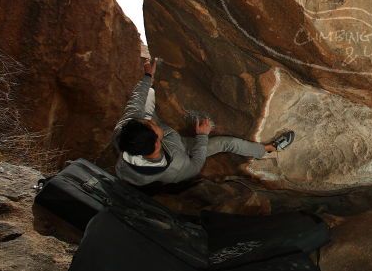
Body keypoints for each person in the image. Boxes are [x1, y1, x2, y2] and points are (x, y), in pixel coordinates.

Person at [112, 57, 294, 186]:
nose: (149, 121)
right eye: (151, 125)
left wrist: (147, 77)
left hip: (150, 153)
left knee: (148, 97)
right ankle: (267, 149)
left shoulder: (125, 131)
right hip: (184, 150)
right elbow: (195, 165)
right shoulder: (175, 168)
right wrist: (202, 137)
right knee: (226, 143)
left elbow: (136, 103)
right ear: (157, 143)